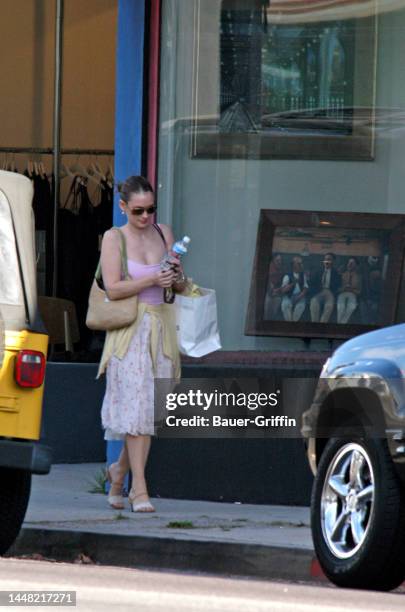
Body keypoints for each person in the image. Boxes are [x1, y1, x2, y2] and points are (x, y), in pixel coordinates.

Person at [97, 175, 186, 513]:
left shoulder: (164, 233)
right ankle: (140, 490)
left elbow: (178, 285)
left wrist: (176, 277)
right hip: (130, 330)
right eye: (138, 211)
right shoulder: (114, 238)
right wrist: (151, 277)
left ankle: (118, 473)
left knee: (148, 410)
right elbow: (113, 287)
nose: (145, 217)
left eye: (150, 209)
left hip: (161, 328)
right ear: (123, 207)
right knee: (136, 408)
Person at [310, 253, 340, 323]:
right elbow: (311, 283)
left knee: (329, 306)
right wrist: (314, 292)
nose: (326, 261)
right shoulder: (317, 271)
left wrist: (333, 293)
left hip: (329, 292)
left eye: (329, 259)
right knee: (313, 304)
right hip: (318, 291)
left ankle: (322, 325)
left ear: (333, 262)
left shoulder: (336, 273)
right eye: (325, 259)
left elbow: (337, 286)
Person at [280, 256, 308, 322]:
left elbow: (305, 287)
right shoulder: (287, 276)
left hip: (299, 296)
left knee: (301, 306)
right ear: (293, 265)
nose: (301, 265)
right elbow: (283, 290)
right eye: (299, 264)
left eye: (301, 263)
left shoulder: (303, 275)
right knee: (285, 305)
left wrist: (300, 296)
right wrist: (293, 283)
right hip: (288, 296)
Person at [337, 257, 362, 324]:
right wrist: (343, 288)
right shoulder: (341, 274)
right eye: (349, 262)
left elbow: (359, 291)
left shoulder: (359, 277)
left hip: (353, 294)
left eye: (352, 263)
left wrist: (352, 290)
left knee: (352, 306)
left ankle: (342, 323)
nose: (350, 264)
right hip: (342, 293)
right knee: (340, 307)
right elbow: (337, 289)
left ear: (356, 265)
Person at [263, 253, 284, 319]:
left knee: (278, 300)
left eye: (280, 260)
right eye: (277, 260)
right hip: (266, 293)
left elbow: (281, 284)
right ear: (273, 261)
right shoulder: (268, 269)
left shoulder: (281, 270)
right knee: (266, 303)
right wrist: (271, 290)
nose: (279, 262)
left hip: (276, 294)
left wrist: (277, 290)